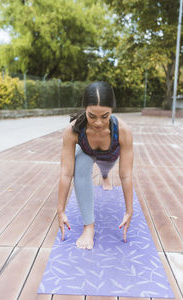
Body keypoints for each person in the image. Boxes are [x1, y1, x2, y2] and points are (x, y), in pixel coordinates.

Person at [57, 81, 133, 250]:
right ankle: (88, 227)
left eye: (104, 116)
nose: (98, 122)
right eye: (92, 116)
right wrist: (60, 209)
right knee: (80, 165)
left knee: (106, 169)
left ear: (112, 110)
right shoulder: (72, 131)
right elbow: (66, 173)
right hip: (88, 152)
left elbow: (126, 175)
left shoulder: (123, 131)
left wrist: (129, 210)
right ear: (85, 109)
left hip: (110, 156)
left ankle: (105, 176)